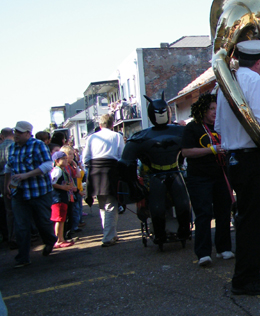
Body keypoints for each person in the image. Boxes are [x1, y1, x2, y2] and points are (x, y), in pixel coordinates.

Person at [215, 39, 260, 295]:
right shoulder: (254, 81)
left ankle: (250, 271)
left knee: (245, 218)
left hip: (234, 157)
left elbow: (219, 128)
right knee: (254, 220)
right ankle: (245, 278)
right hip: (250, 157)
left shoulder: (224, 87)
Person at [120, 93, 192, 249]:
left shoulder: (178, 131)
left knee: (183, 204)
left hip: (172, 172)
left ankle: (183, 230)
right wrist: (133, 184)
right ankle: (160, 234)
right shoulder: (144, 136)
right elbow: (126, 162)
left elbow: (126, 161)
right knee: (157, 207)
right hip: (159, 174)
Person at [181, 93, 234, 267]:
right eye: (211, 108)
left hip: (221, 175)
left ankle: (223, 248)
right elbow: (186, 152)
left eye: (217, 109)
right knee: (203, 214)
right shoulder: (193, 128)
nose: (215, 112)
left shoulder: (223, 126)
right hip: (199, 177)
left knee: (224, 212)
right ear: (203, 110)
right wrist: (211, 150)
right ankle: (203, 253)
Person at [3, 121, 58, 267]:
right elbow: (8, 167)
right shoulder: (13, 147)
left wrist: (27, 175)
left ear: (28, 133)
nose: (17, 135)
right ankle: (23, 257)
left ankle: (50, 239)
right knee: (21, 225)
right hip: (19, 193)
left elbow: (47, 165)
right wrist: (6, 185)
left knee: (43, 222)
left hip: (39, 192)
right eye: (16, 132)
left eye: (20, 132)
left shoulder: (38, 145)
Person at [84, 114, 124, 247]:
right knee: (111, 205)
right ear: (112, 124)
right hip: (110, 171)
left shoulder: (91, 137)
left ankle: (111, 234)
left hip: (95, 171)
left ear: (100, 125)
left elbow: (86, 158)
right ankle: (108, 237)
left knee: (102, 205)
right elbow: (121, 156)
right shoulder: (117, 136)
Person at [49, 150, 76, 248]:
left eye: (66, 158)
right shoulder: (57, 170)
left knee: (62, 219)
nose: (65, 160)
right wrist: (63, 187)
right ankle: (58, 239)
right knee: (59, 219)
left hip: (63, 197)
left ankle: (61, 238)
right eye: (63, 159)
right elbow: (52, 183)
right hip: (58, 198)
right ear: (56, 161)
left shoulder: (63, 170)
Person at [0, 127, 15, 246]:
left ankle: (10, 237)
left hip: (2, 180)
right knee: (19, 208)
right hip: (16, 177)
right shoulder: (16, 146)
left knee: (8, 210)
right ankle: (20, 236)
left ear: (2, 136)